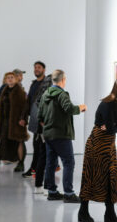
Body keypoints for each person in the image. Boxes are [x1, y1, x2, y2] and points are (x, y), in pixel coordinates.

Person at [78, 76, 117, 222]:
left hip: (109, 144)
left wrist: (113, 125)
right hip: (97, 144)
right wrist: (114, 125)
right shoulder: (107, 103)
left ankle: (109, 214)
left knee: (111, 178)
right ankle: (83, 212)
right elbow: (110, 127)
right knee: (91, 176)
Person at [37, 69, 86, 203]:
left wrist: (49, 126)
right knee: (69, 162)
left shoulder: (45, 93)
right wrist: (80, 108)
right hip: (61, 135)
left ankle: (52, 192)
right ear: (63, 80)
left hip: (48, 135)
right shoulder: (62, 94)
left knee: (51, 163)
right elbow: (70, 109)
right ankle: (69, 193)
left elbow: (39, 116)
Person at [0, 71, 29, 173]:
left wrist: (23, 119)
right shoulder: (5, 91)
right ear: (5, 80)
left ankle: (21, 164)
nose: (10, 79)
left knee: (19, 142)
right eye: (8, 78)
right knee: (3, 142)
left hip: (17, 121)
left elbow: (25, 107)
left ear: (15, 79)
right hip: (6, 121)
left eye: (11, 77)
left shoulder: (20, 92)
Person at [21, 61, 47, 178]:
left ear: (44, 70)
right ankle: (35, 169)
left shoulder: (47, 83)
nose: (36, 69)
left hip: (43, 120)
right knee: (38, 145)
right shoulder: (33, 84)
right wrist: (24, 117)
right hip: (34, 119)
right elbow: (28, 102)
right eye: (35, 67)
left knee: (40, 145)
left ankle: (35, 169)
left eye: (39, 67)